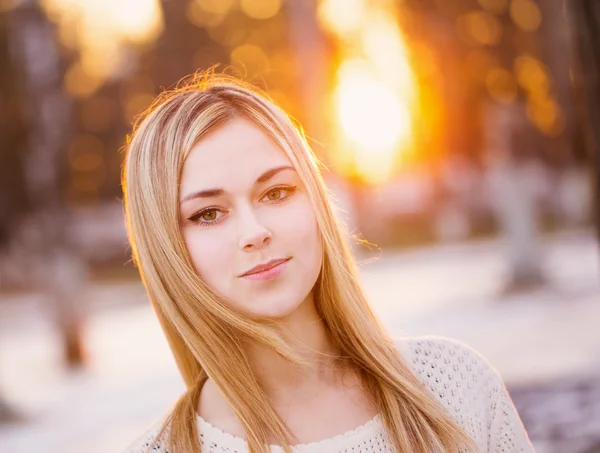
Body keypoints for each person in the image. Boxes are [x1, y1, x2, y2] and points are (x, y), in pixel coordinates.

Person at [121, 73, 535, 453]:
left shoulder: (455, 386)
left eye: (277, 192)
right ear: (165, 248)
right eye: (208, 214)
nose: (255, 231)